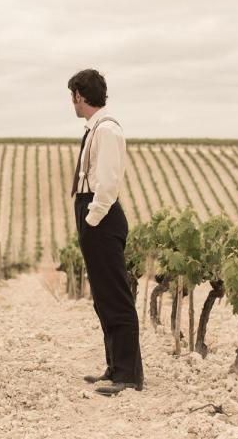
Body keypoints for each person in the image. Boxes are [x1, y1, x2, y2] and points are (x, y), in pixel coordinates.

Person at [68, 69, 145, 396]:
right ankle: (115, 367)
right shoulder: (96, 128)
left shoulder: (107, 130)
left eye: (71, 97)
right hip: (92, 213)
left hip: (101, 216)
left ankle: (128, 375)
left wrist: (92, 219)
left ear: (79, 96)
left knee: (115, 297)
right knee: (103, 298)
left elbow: (109, 182)